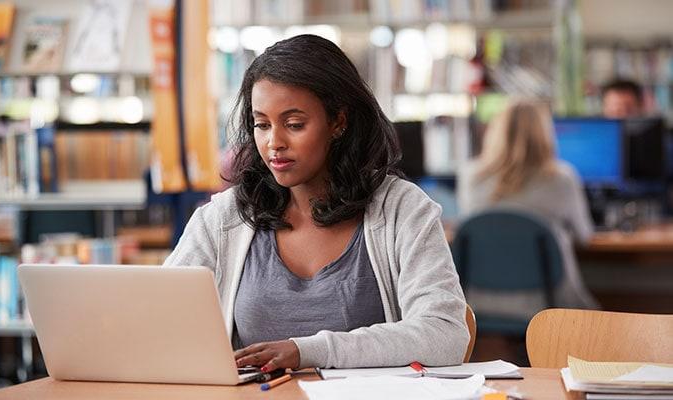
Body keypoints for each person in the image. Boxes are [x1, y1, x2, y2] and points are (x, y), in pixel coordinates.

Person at [164, 34, 469, 371]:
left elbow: (445, 335)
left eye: (294, 124)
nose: (273, 143)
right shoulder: (224, 219)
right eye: (261, 125)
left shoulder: (402, 210)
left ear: (338, 122)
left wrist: (309, 350)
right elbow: (159, 318)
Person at [457, 100, 599, 320]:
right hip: (549, 304)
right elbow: (585, 236)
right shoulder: (561, 178)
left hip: (480, 300)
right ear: (544, 133)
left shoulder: (470, 176)